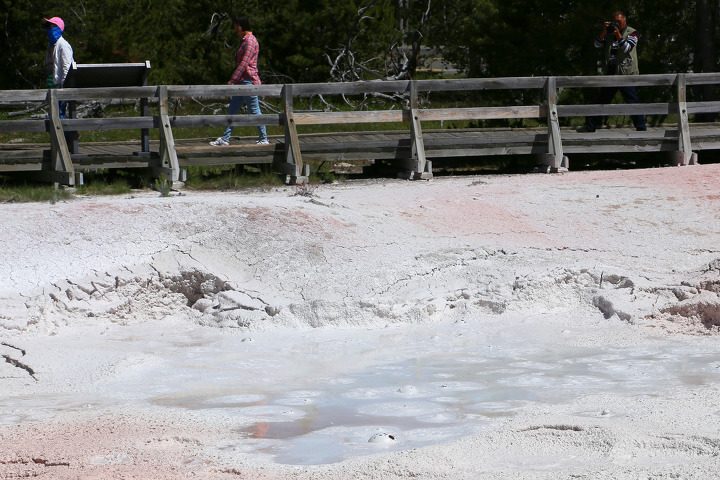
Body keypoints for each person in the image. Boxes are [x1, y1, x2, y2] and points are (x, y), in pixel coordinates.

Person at [581, 10, 647, 132]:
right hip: (611, 71)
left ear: (625, 20)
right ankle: (590, 127)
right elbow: (596, 44)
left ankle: (641, 127)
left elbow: (627, 48)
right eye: (614, 22)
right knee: (602, 100)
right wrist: (604, 31)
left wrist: (618, 35)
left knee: (632, 100)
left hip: (625, 72)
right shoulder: (609, 34)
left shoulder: (632, 32)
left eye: (619, 22)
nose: (616, 24)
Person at [210, 15, 269, 146]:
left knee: (254, 110)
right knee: (233, 109)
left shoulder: (250, 41)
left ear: (241, 26)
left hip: (248, 81)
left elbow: (244, 63)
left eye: (236, 25)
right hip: (242, 82)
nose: (235, 28)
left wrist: (232, 80)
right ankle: (225, 138)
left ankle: (264, 138)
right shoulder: (245, 40)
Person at [43, 16, 73, 118]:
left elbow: (67, 67)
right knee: (54, 112)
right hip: (53, 83)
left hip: (61, 85)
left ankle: (67, 134)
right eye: (49, 26)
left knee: (59, 113)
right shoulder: (51, 45)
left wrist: (64, 85)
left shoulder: (63, 45)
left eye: (53, 26)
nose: (50, 29)